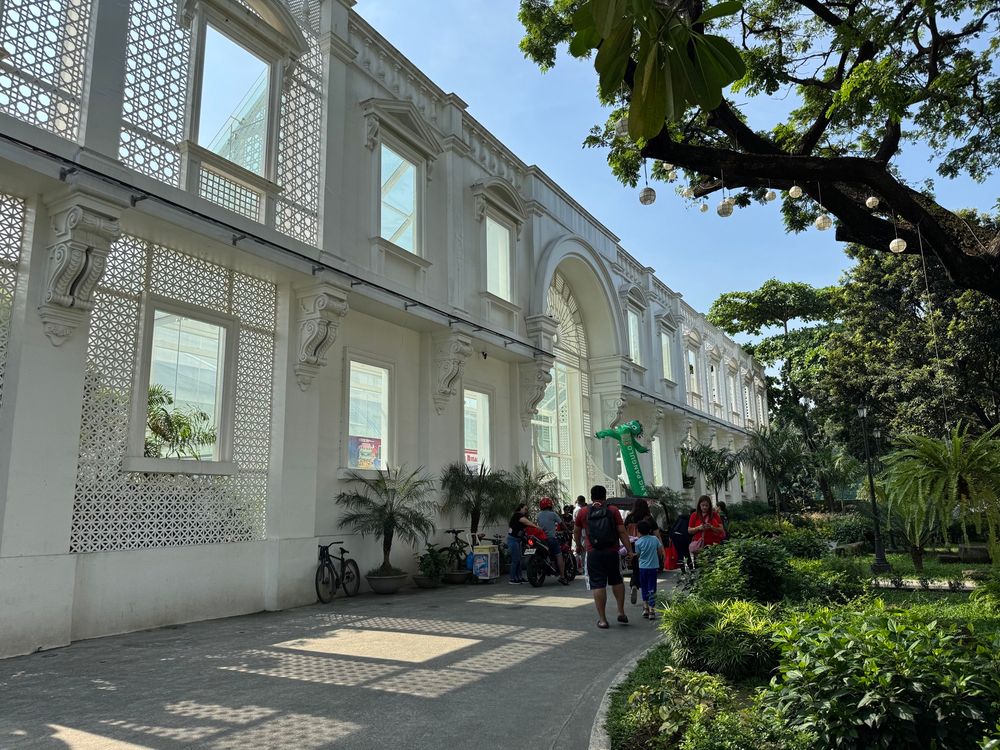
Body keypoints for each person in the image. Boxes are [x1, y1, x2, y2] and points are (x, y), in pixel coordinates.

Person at [574, 485, 634, 629]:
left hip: (593, 552)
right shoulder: (613, 510)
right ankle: (621, 612)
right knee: (617, 580)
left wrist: (578, 545)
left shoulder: (583, 511)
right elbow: (622, 532)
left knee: (598, 584)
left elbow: (576, 531)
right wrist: (630, 551)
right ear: (605, 496)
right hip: (612, 551)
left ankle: (603, 620)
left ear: (591, 497)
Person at [623, 499, 663, 605]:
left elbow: (624, 532)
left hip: (633, 546)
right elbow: (657, 534)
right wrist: (661, 549)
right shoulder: (649, 518)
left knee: (636, 569)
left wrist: (626, 547)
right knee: (647, 571)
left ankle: (634, 585)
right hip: (648, 546)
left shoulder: (629, 517)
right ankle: (649, 596)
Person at [633, 521, 664, 619]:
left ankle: (645, 607)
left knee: (644, 587)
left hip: (642, 568)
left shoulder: (638, 542)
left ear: (638, 531)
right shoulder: (654, 539)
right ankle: (652, 610)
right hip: (653, 567)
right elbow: (660, 551)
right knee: (652, 588)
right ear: (650, 530)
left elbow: (638, 555)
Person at [537, 497, 568, 584]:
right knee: (559, 555)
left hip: (541, 540)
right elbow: (561, 524)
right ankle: (562, 577)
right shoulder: (553, 514)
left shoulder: (538, 515)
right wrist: (567, 530)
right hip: (551, 538)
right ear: (550, 505)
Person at [507, 503, 541, 584]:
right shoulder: (517, 515)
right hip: (513, 540)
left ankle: (519, 577)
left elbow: (524, 529)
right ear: (520, 508)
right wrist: (536, 526)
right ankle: (512, 579)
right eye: (525, 509)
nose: (526, 511)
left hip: (517, 540)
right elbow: (526, 522)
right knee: (515, 560)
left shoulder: (521, 517)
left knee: (519, 560)